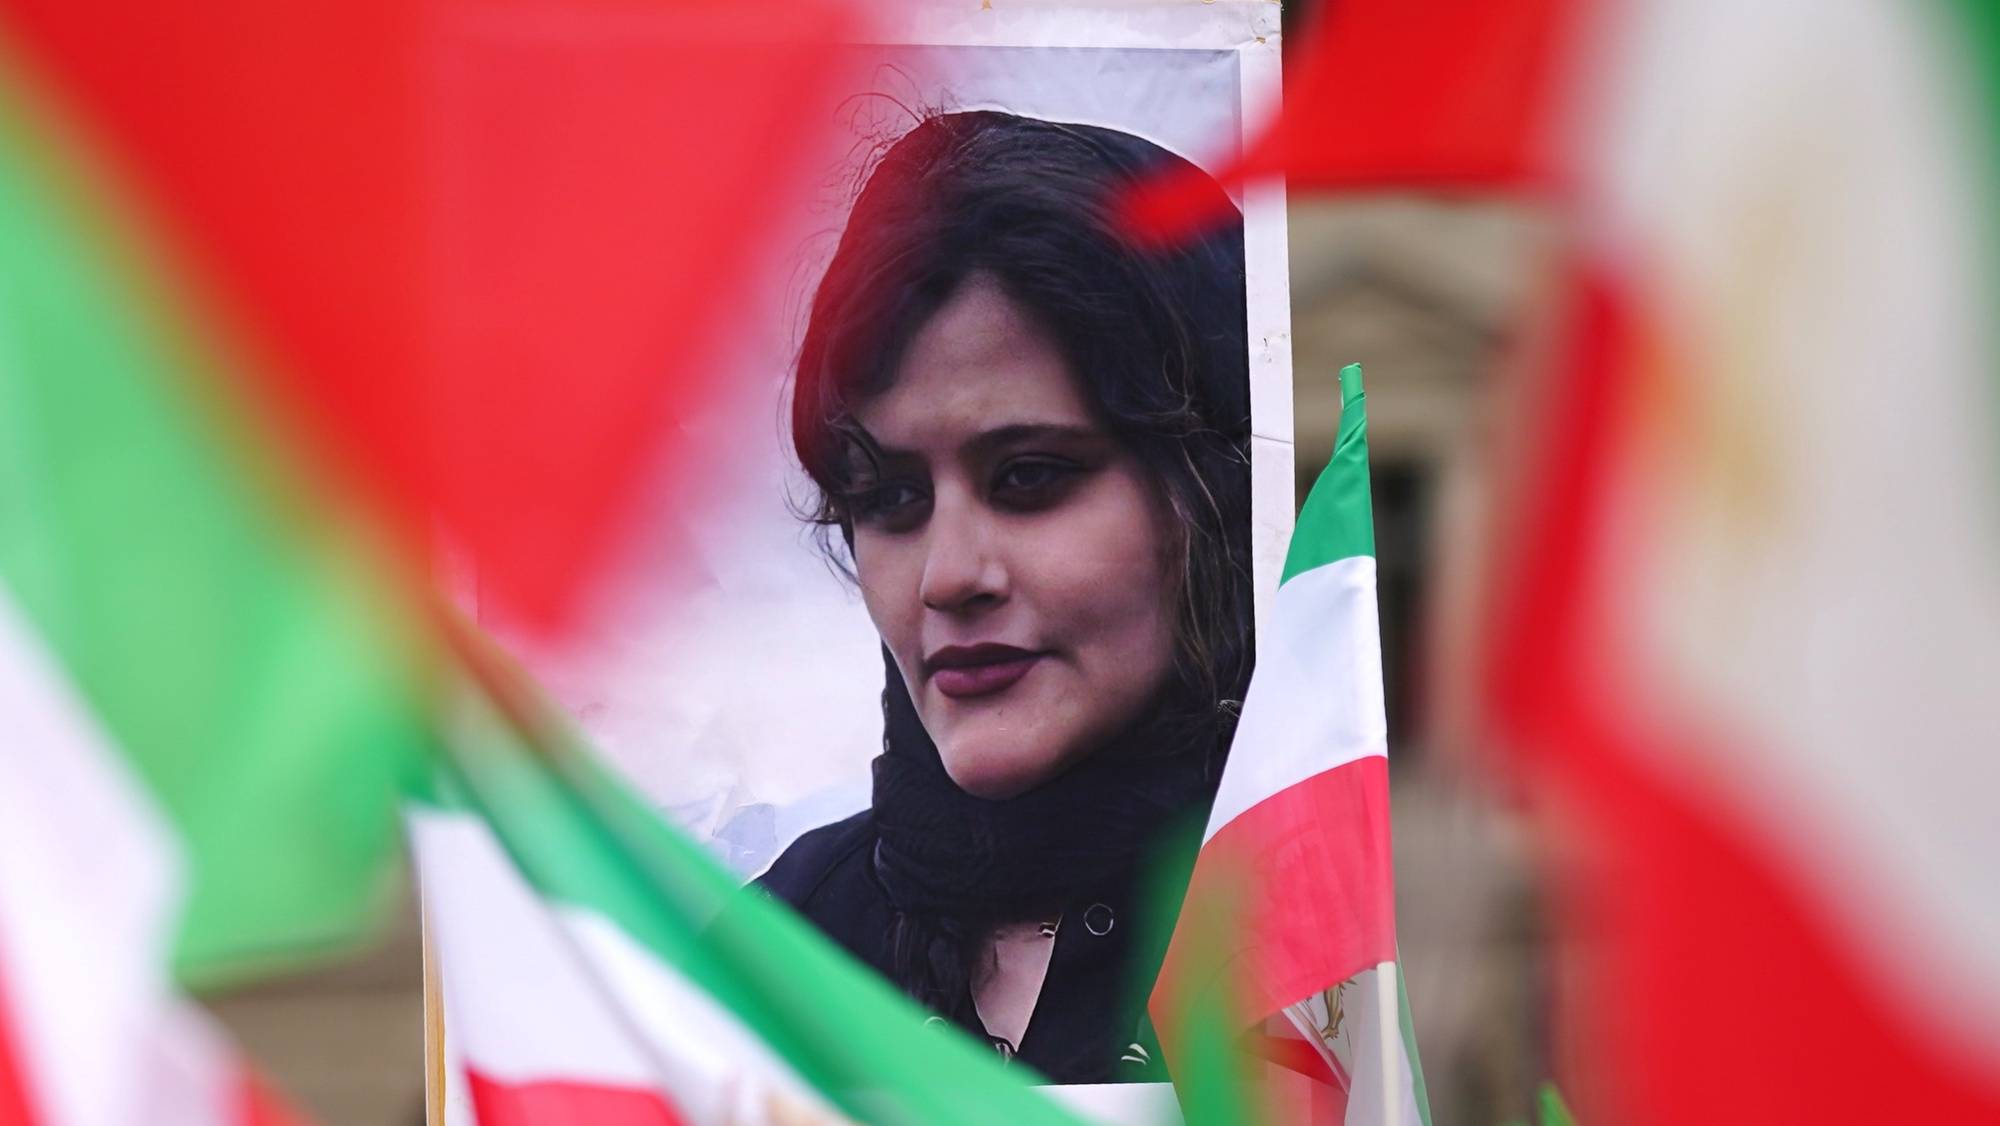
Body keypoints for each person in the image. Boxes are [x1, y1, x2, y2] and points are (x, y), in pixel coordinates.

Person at [761, 109, 1253, 1085]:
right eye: (890, 498)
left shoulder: (1349, 922)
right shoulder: (769, 955)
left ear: (1209, 493)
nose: (948, 574)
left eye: (1028, 477)